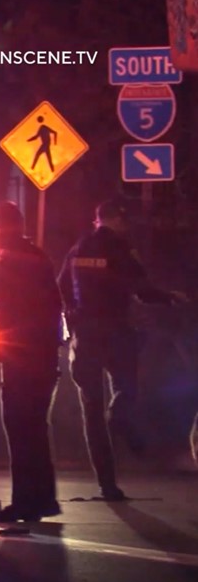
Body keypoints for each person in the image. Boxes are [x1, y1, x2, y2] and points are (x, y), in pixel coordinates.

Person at [57, 199, 187, 501]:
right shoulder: (119, 248)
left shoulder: (77, 250)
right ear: (116, 219)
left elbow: (61, 286)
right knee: (125, 391)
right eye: (125, 221)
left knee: (92, 413)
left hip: (85, 337)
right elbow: (139, 287)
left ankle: (107, 484)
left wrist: (72, 317)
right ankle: (119, 417)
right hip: (116, 332)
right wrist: (169, 297)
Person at [0, 202, 63, 522]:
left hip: (23, 357)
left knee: (21, 429)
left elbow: (8, 315)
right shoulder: (35, 257)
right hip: (39, 354)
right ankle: (41, 499)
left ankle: (27, 501)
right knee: (33, 429)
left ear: (3, 227)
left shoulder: (14, 262)